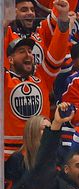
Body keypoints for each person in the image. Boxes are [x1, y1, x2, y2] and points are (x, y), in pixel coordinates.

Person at [4, 0, 70, 159]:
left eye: (30, 51)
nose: (28, 55)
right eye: (22, 51)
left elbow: (56, 56)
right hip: (9, 154)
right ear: (10, 59)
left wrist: (63, 21)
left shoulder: (42, 76)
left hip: (41, 149)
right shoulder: (5, 80)